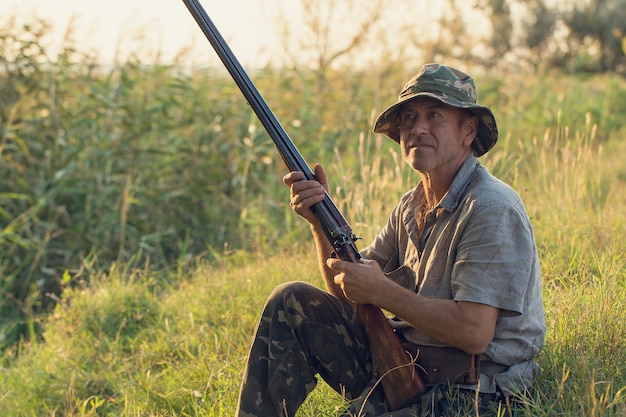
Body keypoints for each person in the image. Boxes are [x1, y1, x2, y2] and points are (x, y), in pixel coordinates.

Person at [235, 63, 546, 417]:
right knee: (290, 299)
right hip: (408, 366)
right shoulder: (410, 206)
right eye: (409, 117)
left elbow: (474, 332)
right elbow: (348, 291)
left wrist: (382, 291)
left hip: (474, 393)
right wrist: (319, 223)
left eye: (435, 115)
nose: (418, 128)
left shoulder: (490, 208)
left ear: (468, 130)